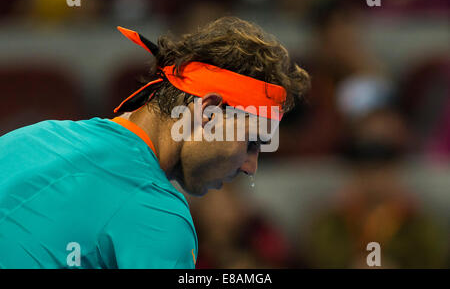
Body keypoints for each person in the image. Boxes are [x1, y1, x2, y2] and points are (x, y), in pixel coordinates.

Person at [0, 17, 310, 268]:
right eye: (252, 142)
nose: (250, 167)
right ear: (210, 113)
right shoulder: (160, 217)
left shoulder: (32, 137)